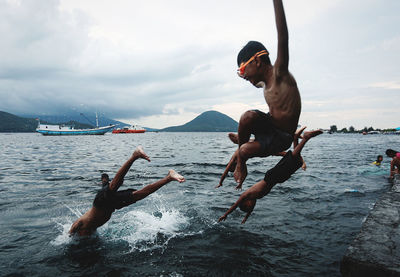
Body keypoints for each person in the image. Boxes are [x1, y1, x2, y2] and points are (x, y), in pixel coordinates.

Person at [225, 0, 302, 190]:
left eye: (243, 69)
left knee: (244, 150)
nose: (243, 75)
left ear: (257, 61)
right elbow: (251, 114)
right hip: (270, 126)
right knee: (247, 117)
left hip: (282, 136)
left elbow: (283, 36)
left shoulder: (280, 74)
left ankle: (242, 155)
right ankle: (242, 151)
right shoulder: (263, 83)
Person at [69, 146, 185, 236]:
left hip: (101, 203)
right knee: (140, 194)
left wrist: (69, 234)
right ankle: (169, 177)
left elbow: (71, 230)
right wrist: (104, 180)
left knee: (115, 185)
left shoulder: (78, 226)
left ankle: (134, 156)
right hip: (111, 206)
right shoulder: (89, 233)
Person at [218, 128, 322, 224]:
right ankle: (296, 139)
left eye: (249, 207)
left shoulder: (246, 195)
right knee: (296, 163)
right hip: (276, 179)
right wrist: (245, 218)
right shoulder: (253, 200)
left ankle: (305, 138)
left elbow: (235, 206)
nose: (251, 207)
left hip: (271, 177)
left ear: (246, 202)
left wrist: (225, 215)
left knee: (293, 159)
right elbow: (250, 210)